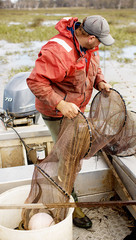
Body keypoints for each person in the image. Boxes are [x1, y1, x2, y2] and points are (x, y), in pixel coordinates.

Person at [27, 15, 115, 229]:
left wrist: (100, 81)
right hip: (56, 112)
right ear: (91, 37)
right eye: (100, 40)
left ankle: (67, 191)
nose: (101, 44)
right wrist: (60, 105)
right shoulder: (57, 51)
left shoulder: (90, 47)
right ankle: (70, 204)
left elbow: (93, 67)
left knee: (72, 156)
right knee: (68, 159)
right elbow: (35, 81)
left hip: (75, 111)